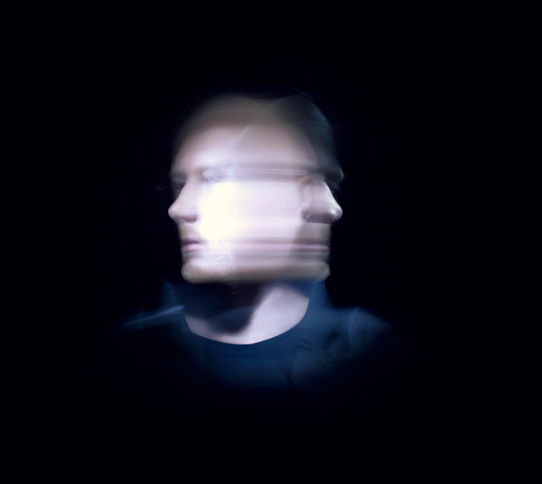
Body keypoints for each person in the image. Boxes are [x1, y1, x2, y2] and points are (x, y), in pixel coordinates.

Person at [97, 89, 417, 420]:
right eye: (181, 183)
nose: (178, 208)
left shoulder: (380, 355)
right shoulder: (126, 355)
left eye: (216, 177)